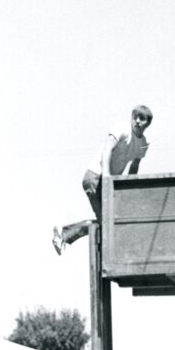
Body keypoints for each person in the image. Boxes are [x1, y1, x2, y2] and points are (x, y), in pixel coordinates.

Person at [53, 105, 153, 255]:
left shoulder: (143, 143)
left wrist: (128, 189)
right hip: (96, 176)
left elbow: (134, 166)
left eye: (142, 119)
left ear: (147, 123)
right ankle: (66, 233)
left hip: (107, 182)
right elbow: (107, 150)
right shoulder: (122, 128)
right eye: (135, 117)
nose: (137, 121)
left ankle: (65, 233)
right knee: (108, 223)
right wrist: (106, 176)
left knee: (108, 222)